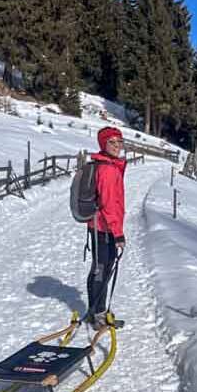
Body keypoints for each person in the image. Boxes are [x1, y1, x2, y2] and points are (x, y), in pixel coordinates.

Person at [84, 126, 126, 329]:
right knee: (101, 270)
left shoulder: (109, 165)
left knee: (101, 268)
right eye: (112, 142)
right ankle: (98, 314)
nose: (117, 146)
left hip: (102, 226)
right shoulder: (108, 170)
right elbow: (110, 205)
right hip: (104, 228)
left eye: (119, 142)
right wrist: (118, 234)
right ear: (103, 144)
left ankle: (96, 310)